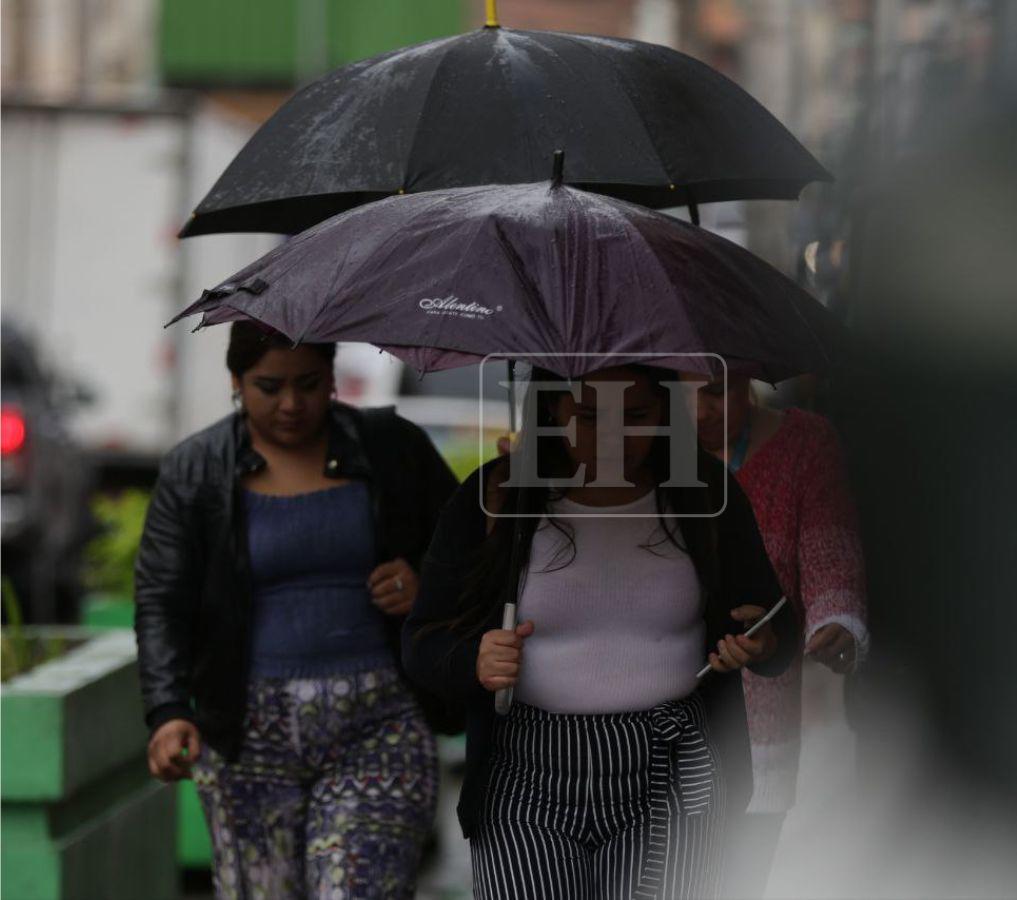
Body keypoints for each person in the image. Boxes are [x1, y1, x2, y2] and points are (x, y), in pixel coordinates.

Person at [402, 364, 798, 899]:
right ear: (549, 408)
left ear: (665, 410)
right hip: (524, 783)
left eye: (636, 416)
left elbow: (776, 624)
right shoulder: (497, 495)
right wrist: (473, 659)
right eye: (588, 417)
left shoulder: (704, 494)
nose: (614, 437)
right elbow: (423, 641)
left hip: (673, 776)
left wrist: (762, 641)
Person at [134, 322, 459, 900]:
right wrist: (166, 709)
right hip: (245, 738)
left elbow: (468, 551)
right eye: (268, 386)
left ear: (332, 377)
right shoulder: (196, 468)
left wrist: (424, 585)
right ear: (235, 382)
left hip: (378, 726)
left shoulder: (391, 447)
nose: (291, 403)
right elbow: (162, 596)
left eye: (309, 383)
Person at [683, 371, 868, 898]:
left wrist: (839, 620)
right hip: (653, 735)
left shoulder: (805, 443)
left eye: (718, 391)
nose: (701, 411)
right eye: (683, 392)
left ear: (747, 380)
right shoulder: (636, 450)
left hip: (757, 734)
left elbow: (830, 545)